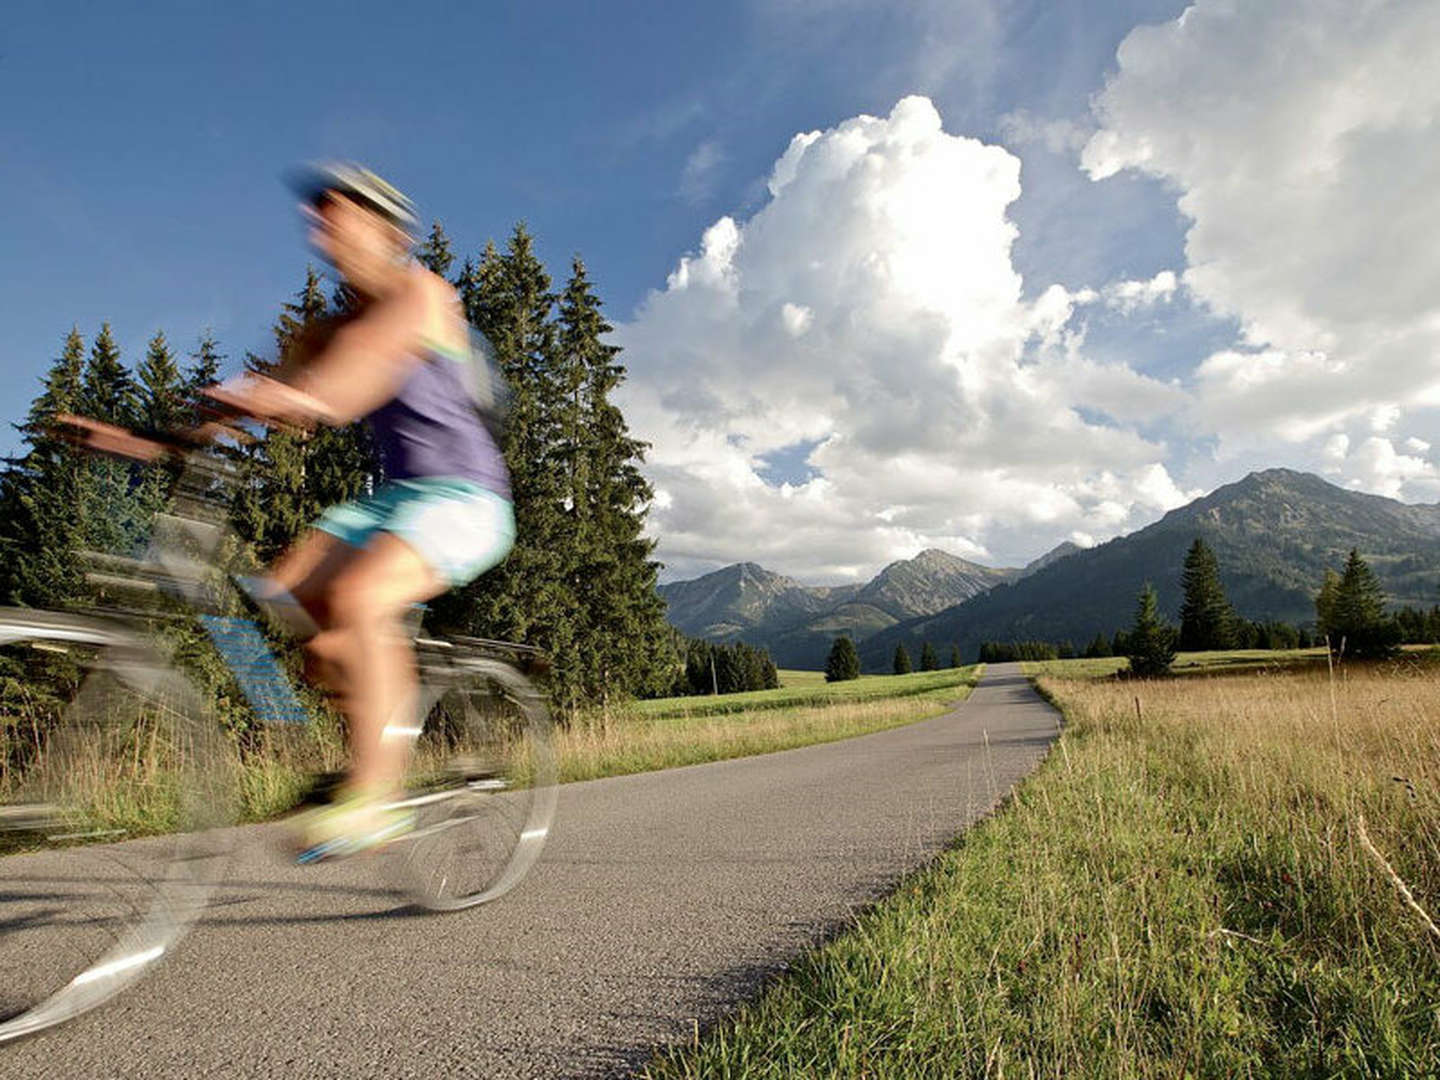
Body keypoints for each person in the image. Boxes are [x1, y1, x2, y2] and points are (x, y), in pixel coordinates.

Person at [211, 163, 515, 861]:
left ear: (388, 231)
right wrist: (145, 437)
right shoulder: (327, 328)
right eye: (318, 216)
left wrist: (300, 399)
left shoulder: (423, 293)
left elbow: (354, 379)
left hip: (469, 497)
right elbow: (269, 390)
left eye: (338, 212)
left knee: (357, 596)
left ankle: (378, 801)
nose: (321, 226)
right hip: (395, 502)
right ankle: (369, 753)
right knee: (285, 600)